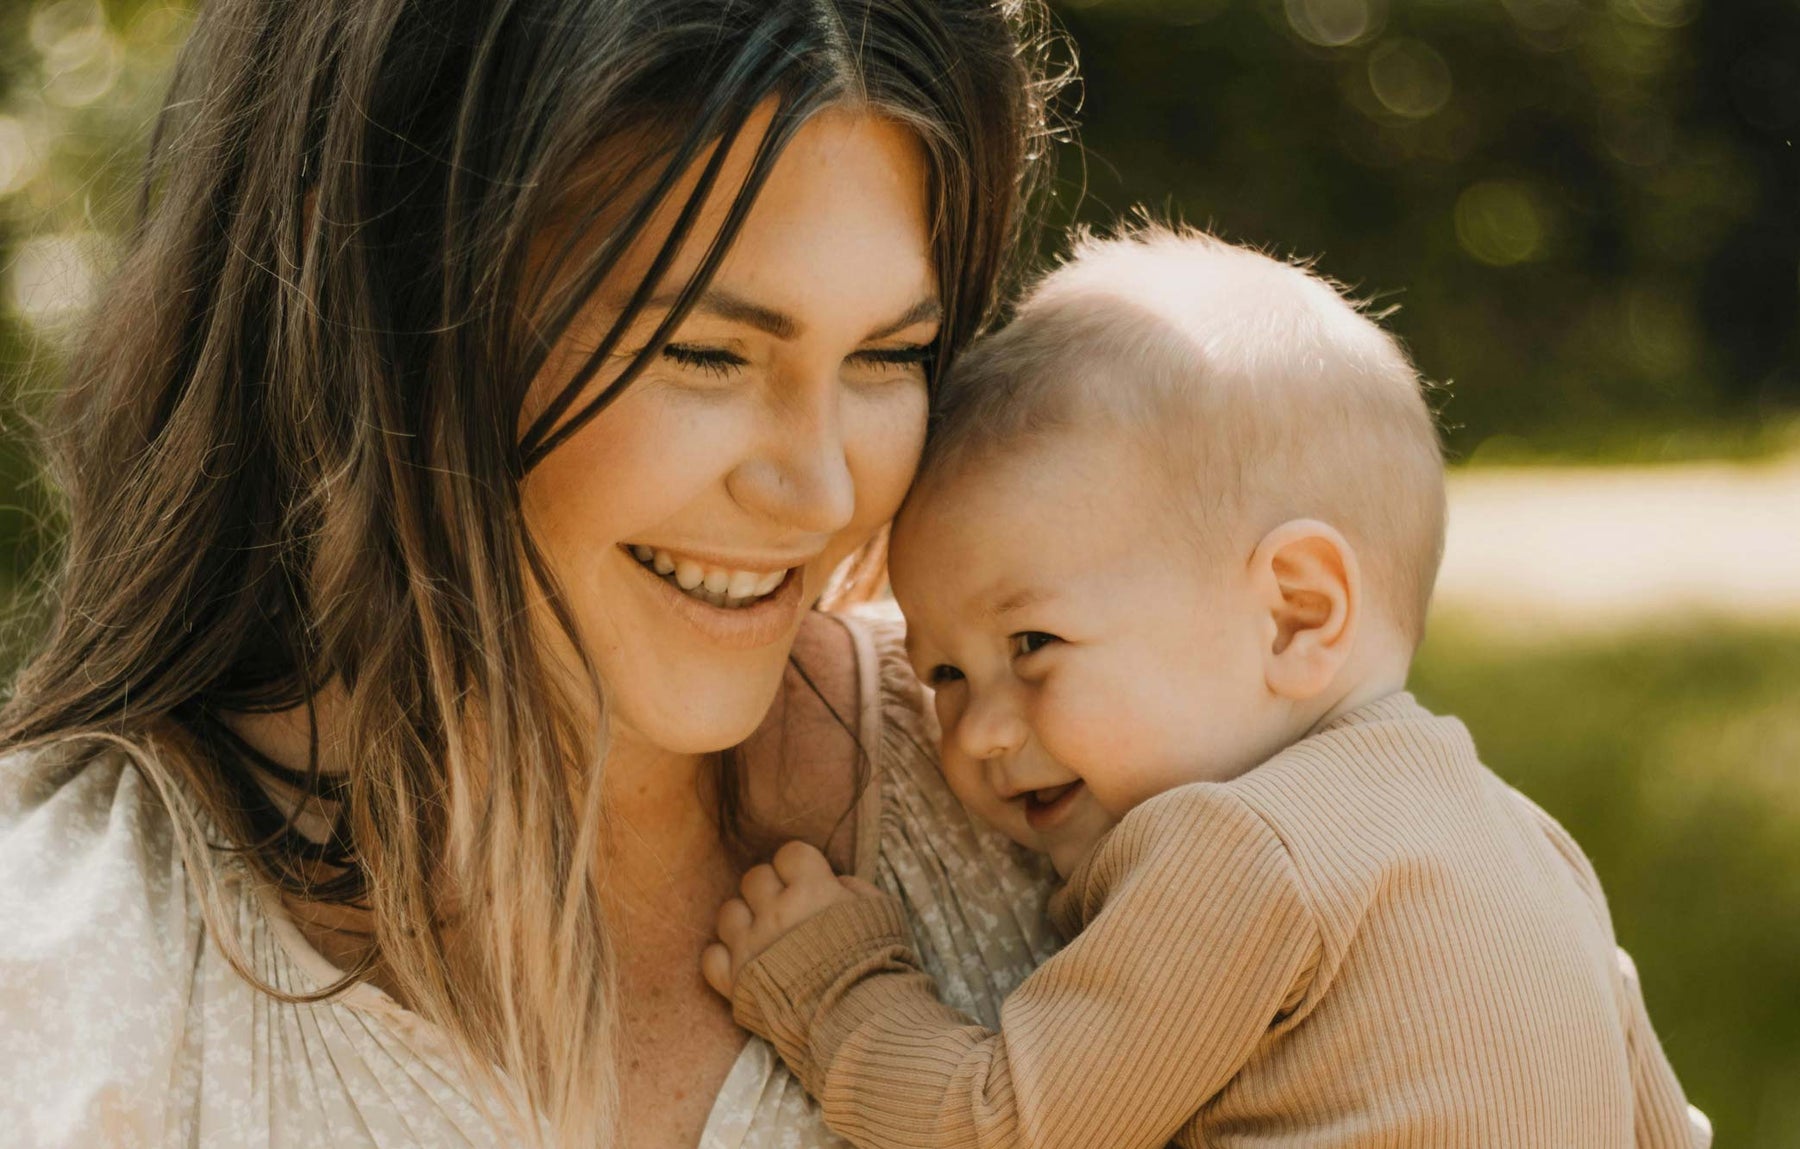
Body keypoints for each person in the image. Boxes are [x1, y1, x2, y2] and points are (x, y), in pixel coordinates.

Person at [0, 2, 1067, 1146]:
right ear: (384, 296)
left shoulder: (1051, 798)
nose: (822, 494)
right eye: (705, 354)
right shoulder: (67, 965)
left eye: (888, 355)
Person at [701, 227, 1712, 1148]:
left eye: (1035, 643)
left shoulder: (1243, 850)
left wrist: (835, 985)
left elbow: (1002, 1127)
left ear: (1296, 614)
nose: (982, 734)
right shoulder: (1533, 847)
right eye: (946, 674)